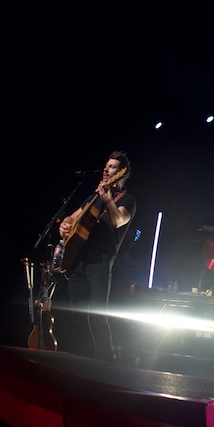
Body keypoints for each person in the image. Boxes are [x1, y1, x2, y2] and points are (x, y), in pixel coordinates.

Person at [57, 151, 136, 361]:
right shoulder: (92, 199)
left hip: (100, 262)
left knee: (98, 316)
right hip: (78, 259)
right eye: (106, 166)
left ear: (121, 174)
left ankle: (105, 364)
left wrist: (108, 200)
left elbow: (119, 220)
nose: (105, 169)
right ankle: (82, 359)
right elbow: (70, 218)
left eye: (111, 167)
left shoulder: (127, 199)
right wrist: (64, 226)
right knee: (77, 315)